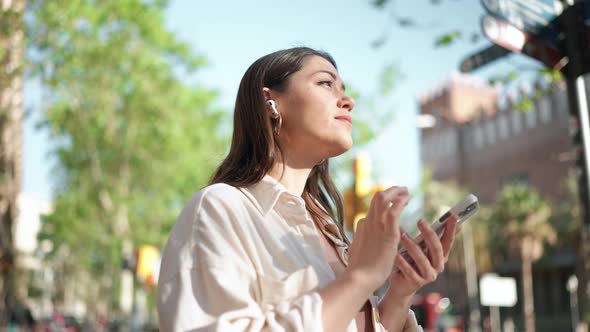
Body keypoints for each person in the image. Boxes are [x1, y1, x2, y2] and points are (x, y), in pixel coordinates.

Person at [157, 47, 459, 332]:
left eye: (343, 88)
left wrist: (400, 292)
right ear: (270, 102)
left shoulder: (328, 230)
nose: (347, 100)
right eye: (326, 83)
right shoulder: (220, 208)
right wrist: (360, 277)